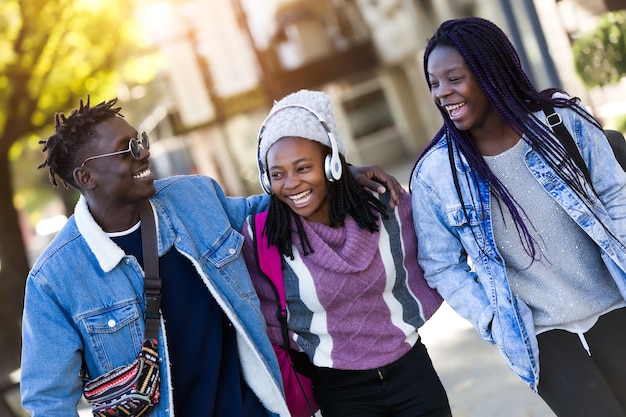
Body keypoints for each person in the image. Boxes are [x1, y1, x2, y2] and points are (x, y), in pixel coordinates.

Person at [20, 97, 403, 417]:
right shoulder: (55, 279)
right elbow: (48, 399)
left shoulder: (195, 197)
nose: (144, 152)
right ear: (87, 177)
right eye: (129, 149)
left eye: (141, 140)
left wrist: (340, 177)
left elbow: (272, 208)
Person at [410, 16, 626, 417]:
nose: (443, 93)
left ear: (491, 71)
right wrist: (492, 319)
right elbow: (440, 265)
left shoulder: (562, 123)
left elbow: (617, 193)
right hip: (544, 338)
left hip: (616, 305)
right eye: (434, 83)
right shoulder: (437, 174)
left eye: (454, 78)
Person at [241, 89, 450, 417]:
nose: (291, 183)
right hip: (340, 391)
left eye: (303, 167)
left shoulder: (386, 207)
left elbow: (441, 254)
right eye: (278, 174)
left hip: (412, 371)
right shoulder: (261, 236)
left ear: (332, 163)